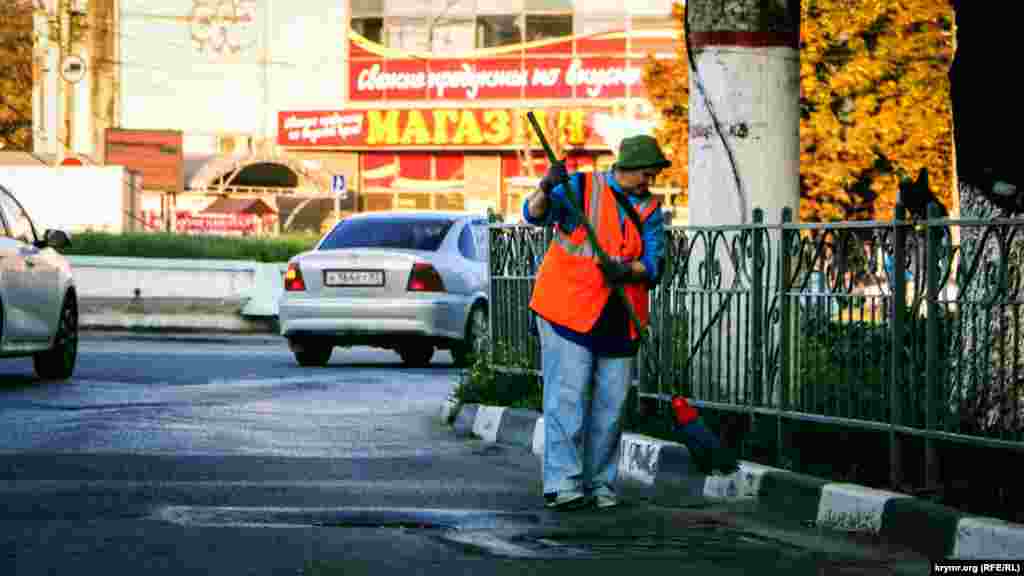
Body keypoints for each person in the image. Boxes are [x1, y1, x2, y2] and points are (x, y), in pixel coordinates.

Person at [522, 134, 669, 510]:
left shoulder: (651, 210)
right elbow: (533, 214)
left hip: (620, 317)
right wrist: (545, 186)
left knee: (611, 406)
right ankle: (563, 484)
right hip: (566, 310)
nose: (647, 182)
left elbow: (655, 265)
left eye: (651, 176)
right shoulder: (582, 187)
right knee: (567, 399)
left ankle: (600, 485)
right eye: (645, 175)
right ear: (627, 168)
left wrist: (626, 269)